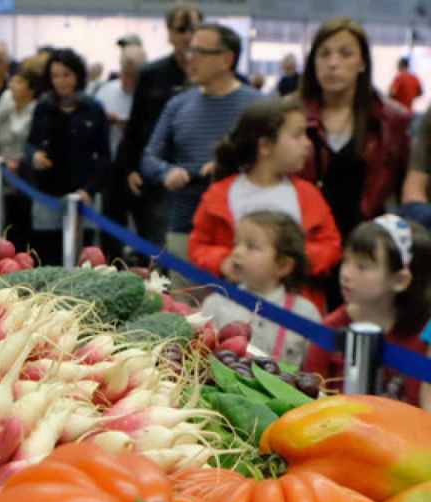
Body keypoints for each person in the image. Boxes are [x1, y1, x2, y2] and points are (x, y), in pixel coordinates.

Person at [295, 18, 412, 309]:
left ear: (362, 63)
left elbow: (404, 192)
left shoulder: (392, 120)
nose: (333, 63)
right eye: (324, 54)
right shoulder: (289, 113)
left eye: (345, 53)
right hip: (303, 247)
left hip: (365, 250)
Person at [189, 99, 342, 311]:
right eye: (297, 135)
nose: (307, 143)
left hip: (295, 316)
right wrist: (225, 261)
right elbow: (198, 246)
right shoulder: (220, 194)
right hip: (234, 309)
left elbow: (331, 244)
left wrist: (289, 260)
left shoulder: (309, 195)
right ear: (265, 146)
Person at [141, 23, 263, 267]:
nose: (190, 59)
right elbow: (148, 157)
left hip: (243, 229)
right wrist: (166, 172)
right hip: (185, 223)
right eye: (189, 51)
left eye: (200, 52)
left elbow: (271, 161)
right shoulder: (178, 105)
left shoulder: (257, 106)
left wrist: (229, 167)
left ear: (227, 59)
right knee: (184, 303)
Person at [304, 215, 431, 409]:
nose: (346, 273)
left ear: (400, 281)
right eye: (346, 261)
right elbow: (307, 394)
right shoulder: (331, 328)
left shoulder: (422, 338)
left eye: (362, 266)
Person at [108, 4, 203, 261]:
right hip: (157, 174)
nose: (188, 36)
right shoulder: (152, 74)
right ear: (170, 33)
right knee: (158, 253)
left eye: (194, 28)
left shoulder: (211, 73)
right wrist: (130, 168)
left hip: (200, 173)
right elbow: (137, 126)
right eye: (181, 29)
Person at [200, 211, 322, 366]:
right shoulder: (216, 304)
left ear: (283, 266)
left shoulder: (305, 313)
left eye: (251, 246)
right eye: (236, 244)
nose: (237, 252)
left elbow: (313, 370)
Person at [26, 48, 110, 265]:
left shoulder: (94, 108)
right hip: (48, 194)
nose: (61, 81)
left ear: (77, 75)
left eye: (66, 75)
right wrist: (34, 156)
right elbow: (29, 144)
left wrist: (90, 190)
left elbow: (104, 156)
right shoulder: (43, 107)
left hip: (83, 194)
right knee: (47, 257)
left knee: (84, 260)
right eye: (55, 76)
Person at [0, 69, 40, 247]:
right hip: (3, 176)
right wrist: (0, 161)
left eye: (18, 82)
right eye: (12, 82)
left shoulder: (38, 113)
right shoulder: (5, 112)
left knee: (25, 223)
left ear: (31, 89)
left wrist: (22, 162)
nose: (12, 86)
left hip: (29, 179)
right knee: (7, 223)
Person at [95, 44, 147, 159]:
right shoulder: (105, 91)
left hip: (137, 161)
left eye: (133, 76)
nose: (128, 80)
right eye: (125, 73)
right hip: (108, 159)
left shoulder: (149, 96)